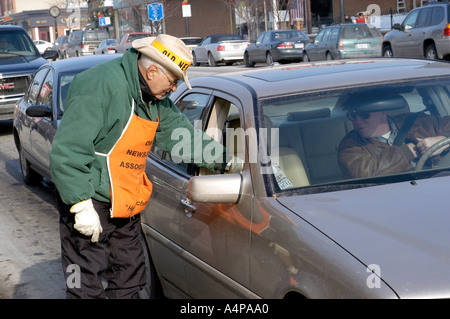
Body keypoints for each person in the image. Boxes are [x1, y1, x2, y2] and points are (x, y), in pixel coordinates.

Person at [50, 34, 237, 299]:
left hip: (124, 200)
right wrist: (80, 205)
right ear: (151, 71)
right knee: (82, 282)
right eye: (173, 82)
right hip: (88, 198)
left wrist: (228, 161)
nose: (174, 89)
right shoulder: (100, 86)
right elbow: (67, 150)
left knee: (130, 279)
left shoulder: (153, 99)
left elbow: (183, 137)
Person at [338, 94, 450, 179]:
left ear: (383, 112)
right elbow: (362, 174)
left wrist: (443, 141)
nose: (357, 121)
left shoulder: (421, 122)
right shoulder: (350, 145)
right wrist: (408, 151)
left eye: (364, 115)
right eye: (353, 116)